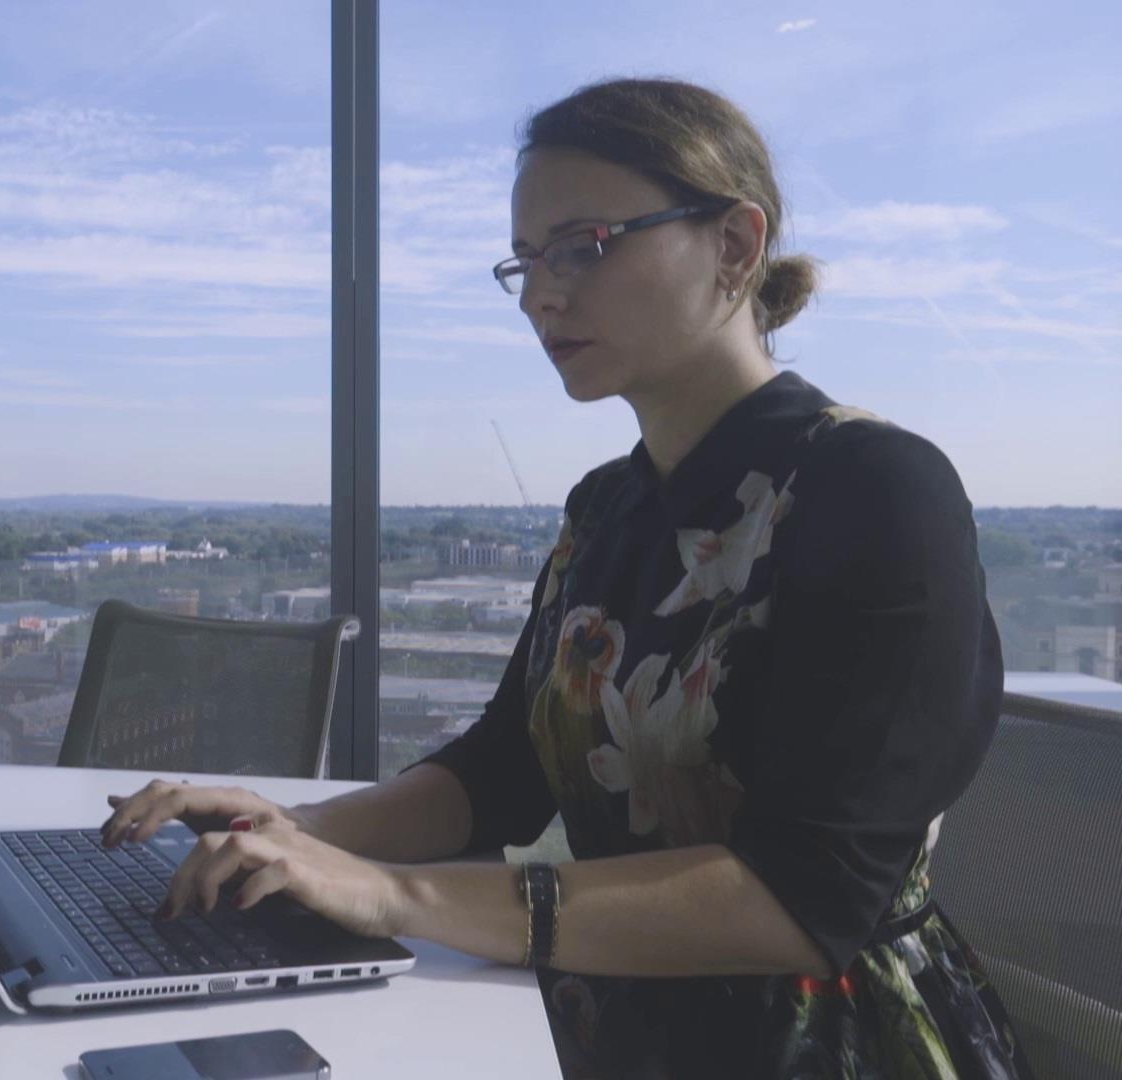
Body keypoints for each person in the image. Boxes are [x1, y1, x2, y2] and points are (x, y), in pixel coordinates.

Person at [97, 77, 1033, 1079]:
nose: (544, 294)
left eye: (585, 245)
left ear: (735, 244)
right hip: (597, 1007)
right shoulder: (607, 507)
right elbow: (500, 773)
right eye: (527, 261)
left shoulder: (877, 489)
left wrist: (384, 893)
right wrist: (292, 835)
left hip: (818, 1042)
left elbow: (802, 903)